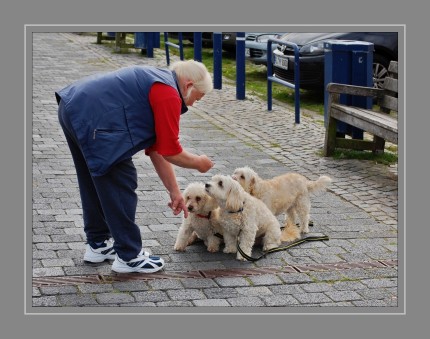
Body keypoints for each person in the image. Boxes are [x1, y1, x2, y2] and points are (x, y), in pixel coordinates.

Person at [56, 60, 214, 273]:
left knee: (94, 178)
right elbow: (171, 151)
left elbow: (157, 148)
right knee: (121, 178)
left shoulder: (158, 81)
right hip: (94, 119)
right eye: (198, 98)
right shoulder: (168, 93)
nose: (194, 104)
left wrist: (174, 191)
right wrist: (199, 163)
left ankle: (98, 244)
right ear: (188, 86)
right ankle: (129, 256)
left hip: (73, 107)